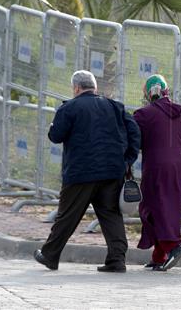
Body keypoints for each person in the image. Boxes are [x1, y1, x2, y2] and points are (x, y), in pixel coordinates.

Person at [34, 70, 141, 272]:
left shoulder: (70, 108)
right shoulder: (114, 106)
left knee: (67, 216)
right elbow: (134, 131)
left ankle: (50, 255)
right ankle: (117, 260)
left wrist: (52, 126)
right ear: (95, 87)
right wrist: (128, 160)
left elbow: (55, 136)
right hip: (112, 171)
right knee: (111, 215)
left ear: (76, 88)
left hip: (80, 173)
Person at [133, 74, 181, 272]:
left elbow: (135, 142)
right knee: (169, 206)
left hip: (156, 164)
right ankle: (159, 256)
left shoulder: (143, 114)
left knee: (151, 208)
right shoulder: (180, 114)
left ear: (148, 93)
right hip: (180, 165)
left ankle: (173, 246)